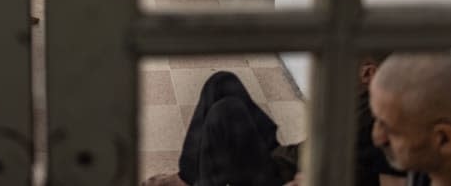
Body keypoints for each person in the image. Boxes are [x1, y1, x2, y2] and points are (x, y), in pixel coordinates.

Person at [143, 56, 406, 186]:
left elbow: (379, 173)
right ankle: (186, 178)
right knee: (222, 82)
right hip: (284, 158)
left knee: (225, 113)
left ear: (367, 73)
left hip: (281, 179)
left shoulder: (376, 120)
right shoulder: (356, 103)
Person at [370, 53, 451, 186]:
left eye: (391, 130)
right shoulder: (426, 164)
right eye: (377, 120)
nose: (377, 137)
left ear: (444, 139)